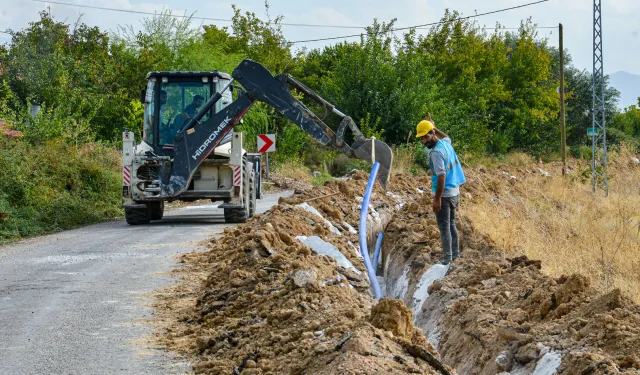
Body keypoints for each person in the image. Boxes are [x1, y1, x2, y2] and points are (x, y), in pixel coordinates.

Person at [416, 115, 466, 265]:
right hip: (455, 192)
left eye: (426, 137)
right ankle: (455, 256)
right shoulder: (445, 143)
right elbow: (447, 137)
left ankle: (447, 259)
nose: (424, 142)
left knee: (444, 227)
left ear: (432, 134)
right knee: (451, 224)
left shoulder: (436, 153)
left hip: (445, 195)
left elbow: (441, 176)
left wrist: (437, 198)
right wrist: (434, 127)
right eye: (422, 139)